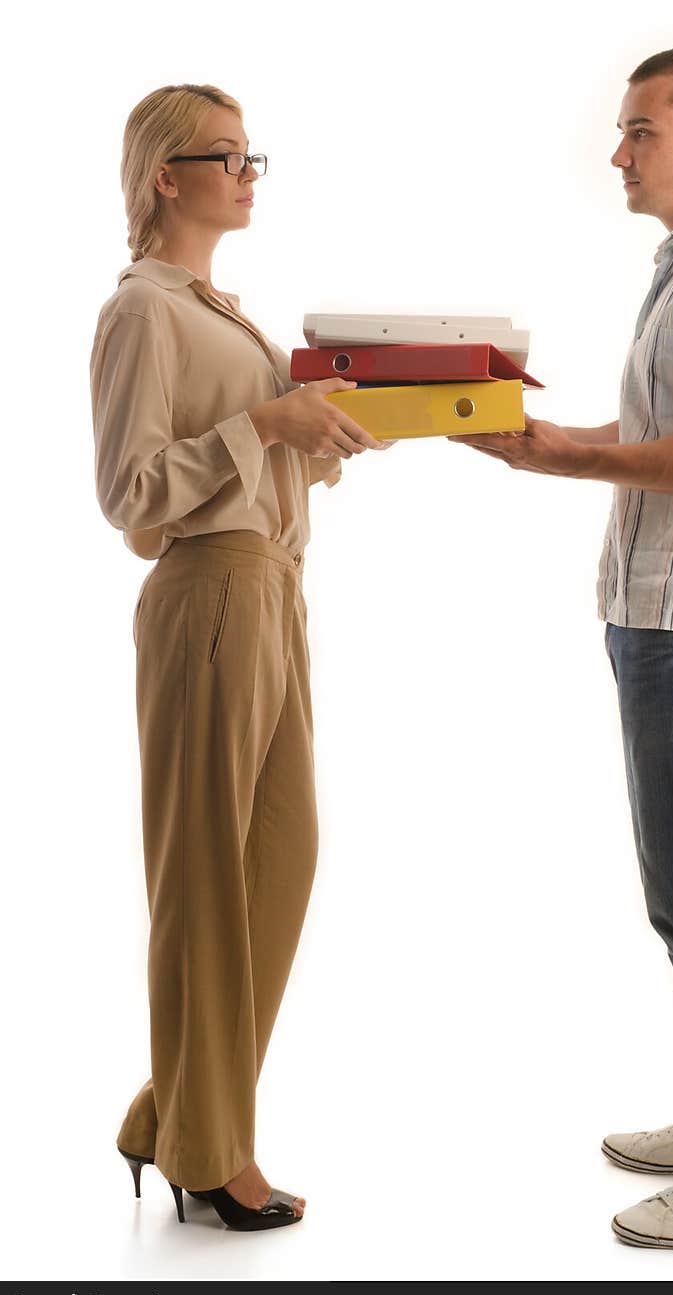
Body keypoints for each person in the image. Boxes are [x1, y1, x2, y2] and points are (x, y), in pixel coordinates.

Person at [448, 47, 673, 1248]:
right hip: (658, 612)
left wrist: (578, 459)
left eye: (639, 131)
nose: (616, 152)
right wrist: (547, 443)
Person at [90, 83, 387, 1233]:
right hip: (208, 590)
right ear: (168, 175)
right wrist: (266, 426)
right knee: (207, 875)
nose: (249, 170)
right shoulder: (144, 314)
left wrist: (320, 438)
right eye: (230, 154)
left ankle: (172, 1113)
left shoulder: (224, 311)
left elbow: (248, 462)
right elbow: (132, 497)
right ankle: (211, 1152)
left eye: (253, 154)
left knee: (277, 861)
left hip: (272, 588)